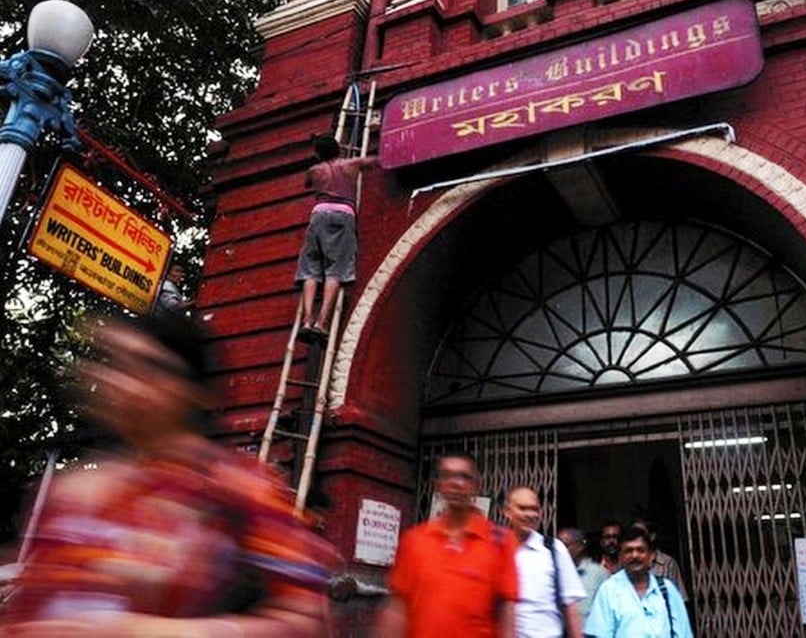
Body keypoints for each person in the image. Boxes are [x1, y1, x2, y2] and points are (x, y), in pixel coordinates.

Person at [3, 312, 334, 636]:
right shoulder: (72, 492)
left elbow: (307, 620)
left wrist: (149, 632)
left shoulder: (237, 488)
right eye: (114, 364)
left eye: (148, 367)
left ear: (194, 391)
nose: (122, 382)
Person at [376, 452, 517, 638]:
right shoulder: (414, 540)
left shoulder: (499, 541)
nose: (456, 483)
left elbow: (506, 610)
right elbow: (397, 608)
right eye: (447, 476)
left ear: (476, 485)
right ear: (438, 484)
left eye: (464, 477)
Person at [294, 134, 377, 344]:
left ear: (318, 154)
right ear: (338, 149)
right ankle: (321, 323)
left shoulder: (314, 170)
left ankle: (306, 321)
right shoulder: (352, 164)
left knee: (310, 268)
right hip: (344, 213)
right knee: (336, 269)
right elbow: (374, 161)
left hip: (319, 213)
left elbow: (307, 183)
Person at [504, 487, 585, 638]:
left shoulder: (553, 549)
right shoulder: (496, 548)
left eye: (534, 509)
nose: (530, 514)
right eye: (522, 508)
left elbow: (570, 607)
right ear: (507, 512)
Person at [584, 527, 694, 638]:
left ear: (650, 555)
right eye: (628, 551)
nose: (635, 555)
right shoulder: (608, 590)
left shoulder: (666, 589)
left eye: (640, 550)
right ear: (621, 557)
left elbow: (684, 633)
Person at [557, 527, 609, 624]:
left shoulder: (598, 573)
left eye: (565, 545)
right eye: (557, 546)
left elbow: (607, 609)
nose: (559, 550)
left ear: (580, 546)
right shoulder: (553, 573)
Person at [629, 518, 688, 601]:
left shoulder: (667, 563)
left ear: (652, 536)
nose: (636, 537)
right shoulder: (627, 563)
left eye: (640, 533)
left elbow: (680, 598)